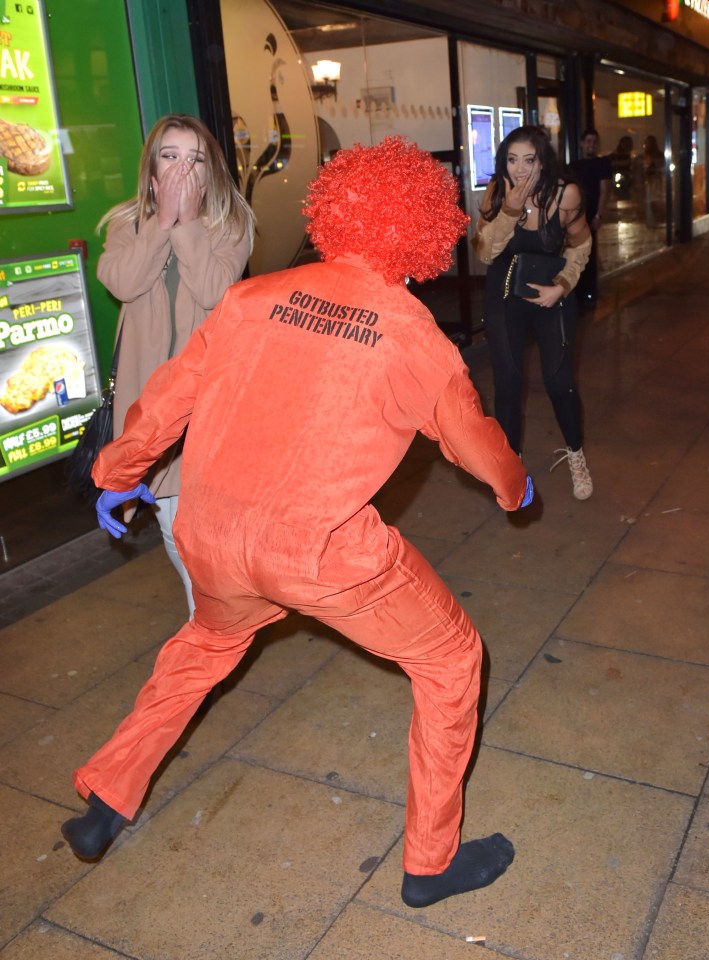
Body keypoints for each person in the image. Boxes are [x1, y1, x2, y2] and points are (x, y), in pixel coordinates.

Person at [61, 137, 535, 909]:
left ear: (335, 213)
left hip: (213, 538)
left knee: (202, 649)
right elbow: (477, 445)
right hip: (320, 551)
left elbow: (165, 400)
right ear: (425, 231)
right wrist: (516, 492)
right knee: (452, 661)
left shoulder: (250, 300)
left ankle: (106, 799)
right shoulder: (415, 334)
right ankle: (430, 861)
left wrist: (115, 476)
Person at [96, 114, 256, 617]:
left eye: (195, 159)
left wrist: (184, 225)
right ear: (151, 168)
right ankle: (209, 630)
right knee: (177, 531)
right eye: (171, 156)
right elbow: (122, 282)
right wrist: (159, 225)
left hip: (207, 406)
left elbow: (214, 290)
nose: (183, 169)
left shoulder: (232, 224)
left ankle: (207, 637)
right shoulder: (125, 224)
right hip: (150, 408)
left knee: (190, 535)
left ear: (210, 173)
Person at [472, 125, 594, 500]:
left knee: (560, 383)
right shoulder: (497, 191)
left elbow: (581, 245)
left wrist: (563, 285)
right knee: (507, 384)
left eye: (529, 159)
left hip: (551, 296)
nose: (520, 170)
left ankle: (576, 454)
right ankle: (512, 471)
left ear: (543, 160)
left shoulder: (565, 194)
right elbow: (485, 253)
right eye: (512, 160)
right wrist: (509, 209)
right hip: (504, 296)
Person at [570, 127, 611, 308]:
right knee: (574, 254)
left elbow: (604, 191)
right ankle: (577, 291)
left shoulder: (602, 164)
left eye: (594, 142)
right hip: (575, 218)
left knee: (590, 254)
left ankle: (589, 292)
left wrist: (598, 215)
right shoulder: (574, 166)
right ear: (581, 144)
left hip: (591, 216)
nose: (591, 145)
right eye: (588, 142)